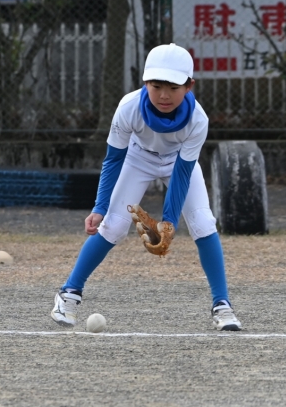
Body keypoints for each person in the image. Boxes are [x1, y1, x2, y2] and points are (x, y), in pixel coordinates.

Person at [50, 43, 242, 331]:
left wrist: (168, 222)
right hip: (137, 158)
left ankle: (222, 305)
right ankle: (69, 294)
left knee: (203, 222)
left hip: (178, 162)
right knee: (113, 226)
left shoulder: (197, 119)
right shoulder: (129, 107)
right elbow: (114, 159)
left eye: (173, 87)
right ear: (145, 83)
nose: (164, 95)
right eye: (156, 86)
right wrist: (100, 207)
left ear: (189, 86)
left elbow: (182, 173)